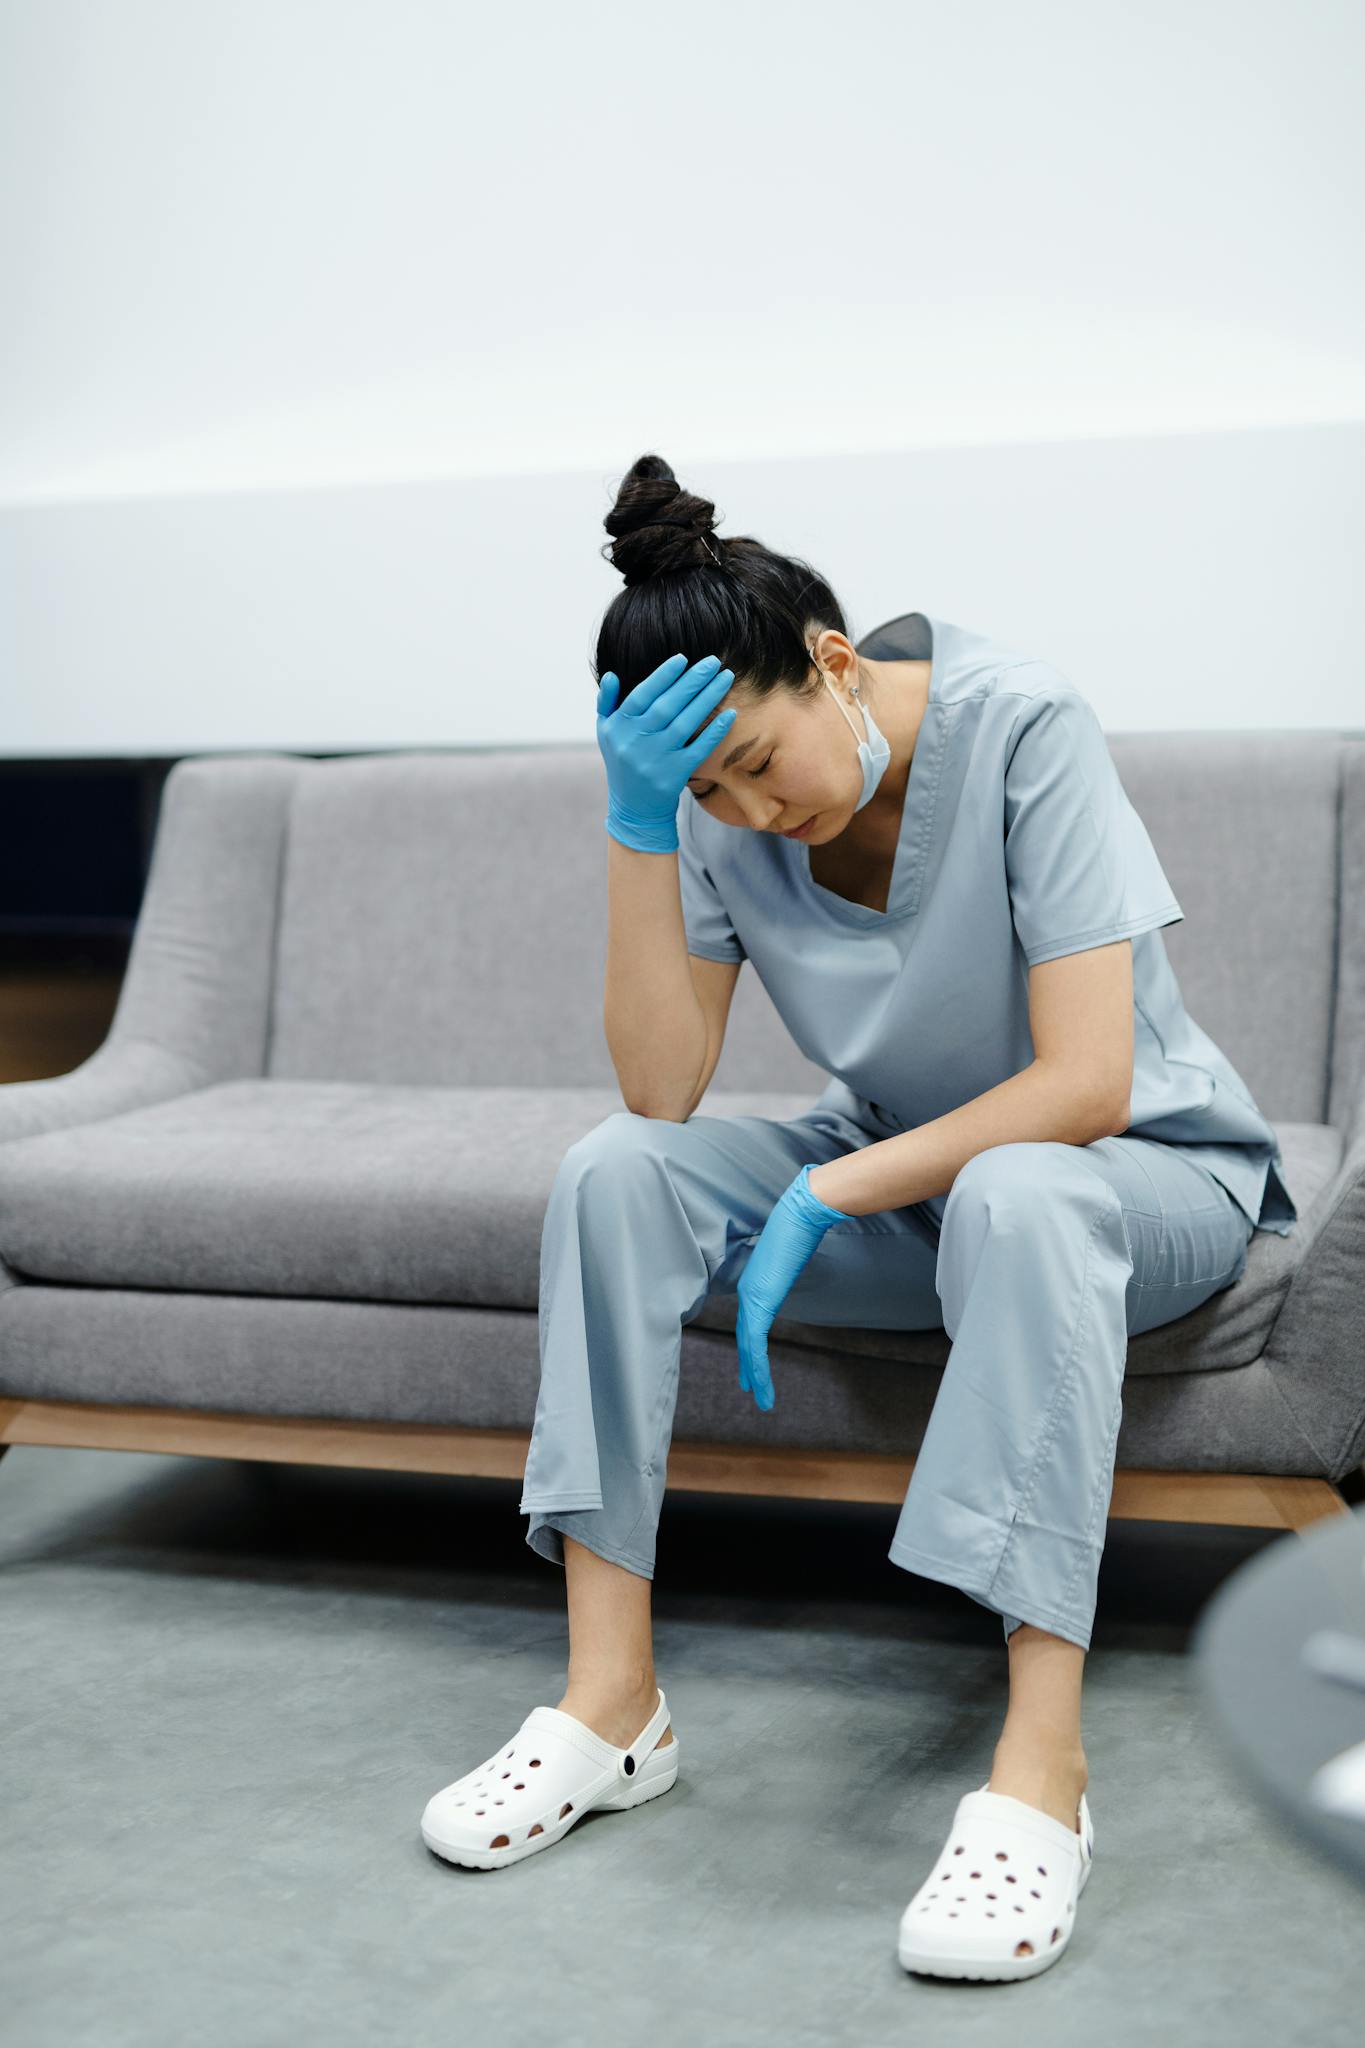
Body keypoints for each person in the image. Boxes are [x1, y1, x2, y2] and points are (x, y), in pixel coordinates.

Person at [420, 453, 1296, 1983]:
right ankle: (611, 1703)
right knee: (607, 1174)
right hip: (916, 1187)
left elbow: (1087, 1083)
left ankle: (1042, 1770)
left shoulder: (1021, 721)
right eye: (709, 789)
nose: (754, 810)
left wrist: (833, 1188)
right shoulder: (704, 810)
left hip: (1139, 1182)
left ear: (833, 666)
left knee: (1020, 1190)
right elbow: (658, 1088)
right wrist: (642, 830)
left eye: (757, 762)